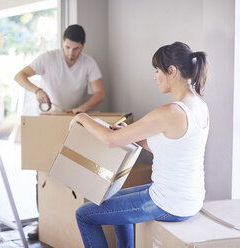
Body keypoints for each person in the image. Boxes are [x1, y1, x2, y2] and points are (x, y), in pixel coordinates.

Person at [70, 41, 209, 248]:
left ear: (171, 71)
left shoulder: (171, 112)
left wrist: (82, 117)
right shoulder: (199, 105)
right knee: (112, 197)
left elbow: (110, 141)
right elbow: (169, 149)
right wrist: (129, 135)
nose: (155, 77)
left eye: (156, 70)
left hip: (168, 203)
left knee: (84, 214)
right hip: (189, 198)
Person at [14, 24, 105, 239]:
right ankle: (42, 223)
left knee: (71, 171)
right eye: (67, 48)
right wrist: (36, 90)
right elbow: (19, 76)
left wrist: (83, 108)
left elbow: (100, 93)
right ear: (62, 44)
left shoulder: (88, 63)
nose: (70, 53)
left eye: (75, 49)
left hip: (74, 120)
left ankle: (64, 222)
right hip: (48, 118)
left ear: (82, 46)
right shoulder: (48, 58)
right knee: (42, 172)